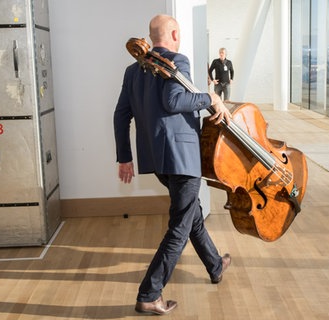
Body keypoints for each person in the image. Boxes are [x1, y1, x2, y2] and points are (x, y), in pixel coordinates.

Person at [113, 14, 232, 316]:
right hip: (182, 158)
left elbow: (120, 115)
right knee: (179, 227)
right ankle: (149, 294)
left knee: (191, 215)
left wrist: (125, 156)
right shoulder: (178, 59)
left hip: (158, 159)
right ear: (175, 34)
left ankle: (215, 265)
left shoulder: (132, 71)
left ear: (152, 37)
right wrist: (211, 98)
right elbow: (174, 101)